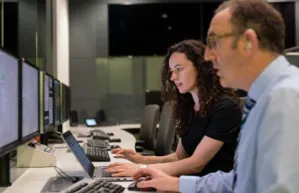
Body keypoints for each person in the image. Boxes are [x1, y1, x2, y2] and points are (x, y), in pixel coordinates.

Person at [131, 0, 299, 193]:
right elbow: (239, 179)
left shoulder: (284, 98)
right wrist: (175, 184)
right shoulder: (262, 98)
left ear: (248, 42)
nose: (208, 57)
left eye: (214, 43)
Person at [105, 40, 242, 177]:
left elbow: (196, 164)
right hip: (190, 183)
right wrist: (140, 159)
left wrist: (142, 168)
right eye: (171, 71)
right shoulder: (189, 108)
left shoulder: (225, 108)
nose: (173, 77)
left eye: (179, 69)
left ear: (201, 67)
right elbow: (179, 157)